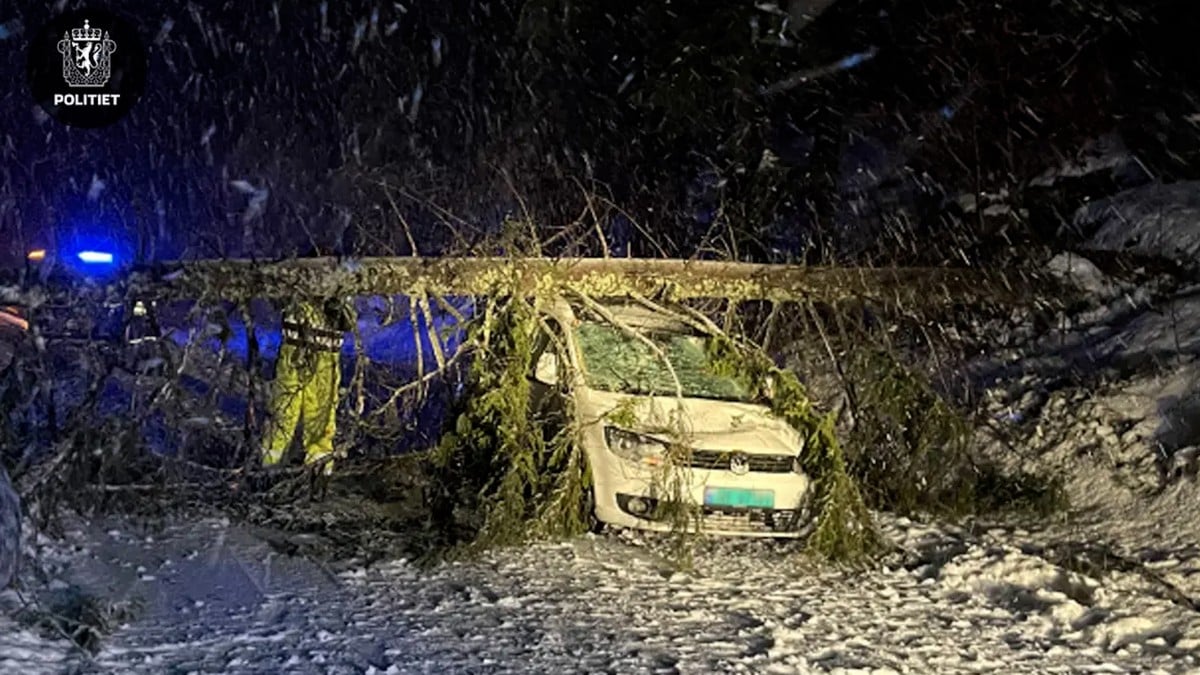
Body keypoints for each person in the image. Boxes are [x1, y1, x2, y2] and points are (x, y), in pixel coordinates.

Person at [261, 247, 354, 478]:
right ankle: (268, 470)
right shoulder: (297, 278)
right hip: (296, 353)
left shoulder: (339, 284)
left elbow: (349, 320)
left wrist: (335, 306)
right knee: (284, 412)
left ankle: (317, 473)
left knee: (320, 419)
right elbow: (276, 301)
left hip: (323, 358)